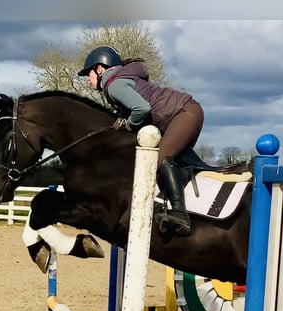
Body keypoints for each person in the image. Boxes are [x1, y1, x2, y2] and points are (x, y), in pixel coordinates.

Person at [77, 45, 204, 236]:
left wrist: (127, 125)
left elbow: (141, 109)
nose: (87, 78)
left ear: (99, 69)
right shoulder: (119, 81)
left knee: (158, 160)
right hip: (186, 113)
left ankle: (180, 214)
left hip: (184, 114)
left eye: (89, 73)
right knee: (176, 161)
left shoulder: (114, 85)